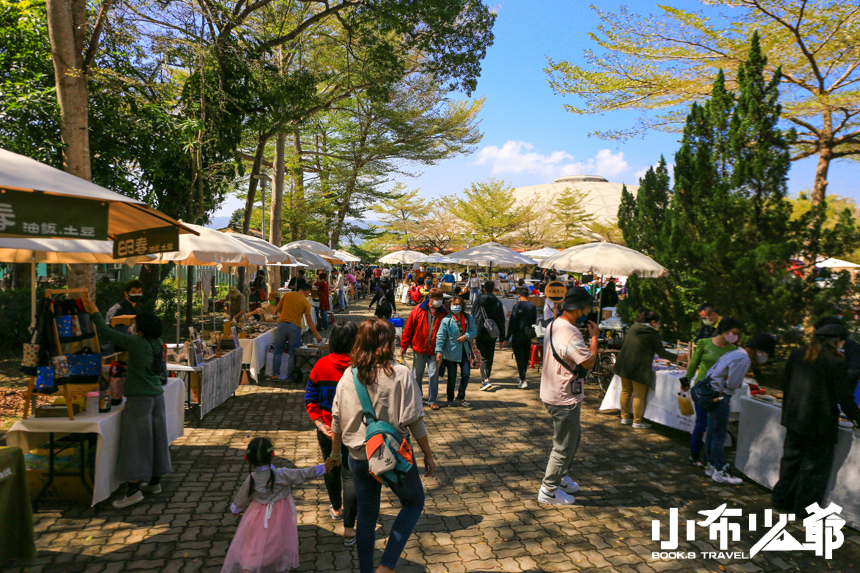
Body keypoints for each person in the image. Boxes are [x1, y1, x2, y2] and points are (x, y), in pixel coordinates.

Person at [331, 319, 436, 573]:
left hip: (358, 457)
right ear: (387, 343)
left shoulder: (348, 375)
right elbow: (414, 420)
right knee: (413, 503)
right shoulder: (400, 373)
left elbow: (336, 419)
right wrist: (428, 454)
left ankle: (367, 570)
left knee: (366, 515)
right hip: (393, 455)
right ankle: (386, 566)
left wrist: (335, 453)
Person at [82, 293, 170, 509]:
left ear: (140, 329)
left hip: (139, 398)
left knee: (135, 442)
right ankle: (154, 481)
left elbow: (105, 331)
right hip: (157, 396)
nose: (131, 327)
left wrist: (93, 310)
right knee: (157, 437)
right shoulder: (157, 343)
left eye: (134, 324)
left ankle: (133, 489)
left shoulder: (136, 342)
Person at [772, 324, 860, 515]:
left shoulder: (797, 355)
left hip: (794, 418)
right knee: (813, 470)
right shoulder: (836, 362)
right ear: (836, 341)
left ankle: (781, 499)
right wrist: (857, 417)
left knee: (790, 463)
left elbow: (784, 383)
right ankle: (804, 509)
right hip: (820, 425)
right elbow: (844, 397)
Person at [222, 437, 335, 573]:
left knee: (255, 540)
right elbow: (303, 474)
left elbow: (243, 495)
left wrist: (236, 508)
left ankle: (249, 565)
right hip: (280, 513)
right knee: (279, 537)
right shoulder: (281, 474)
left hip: (257, 514)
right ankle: (279, 562)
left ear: (249, 459)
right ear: (272, 456)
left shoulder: (252, 478)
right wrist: (324, 467)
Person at [538, 287, 599, 505]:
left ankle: (561, 478)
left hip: (553, 390)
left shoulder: (554, 323)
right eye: (588, 307)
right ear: (580, 308)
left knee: (573, 438)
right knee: (563, 445)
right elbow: (589, 363)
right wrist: (594, 338)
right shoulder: (570, 332)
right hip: (563, 396)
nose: (589, 311)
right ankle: (548, 489)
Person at [305, 322, 359, 545]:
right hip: (356, 433)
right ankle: (349, 528)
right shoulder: (361, 368)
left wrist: (319, 423)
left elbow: (311, 398)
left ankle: (336, 508)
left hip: (327, 431)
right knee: (350, 474)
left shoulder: (320, 365)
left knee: (331, 466)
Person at [697, 333, 776, 484]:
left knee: (712, 432)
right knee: (719, 435)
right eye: (766, 353)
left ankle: (711, 465)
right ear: (759, 351)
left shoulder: (736, 352)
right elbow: (733, 383)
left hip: (712, 392)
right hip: (721, 396)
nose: (765, 357)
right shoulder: (743, 359)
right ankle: (719, 470)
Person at [679, 318, 742, 467]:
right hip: (702, 390)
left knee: (715, 426)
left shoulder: (733, 350)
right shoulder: (705, 343)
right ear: (724, 330)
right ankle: (694, 455)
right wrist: (686, 380)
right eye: (734, 332)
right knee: (701, 424)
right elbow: (694, 363)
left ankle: (711, 458)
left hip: (720, 392)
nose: (736, 337)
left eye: (738, 334)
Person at [613, 311, 679, 429]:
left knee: (626, 391)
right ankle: (637, 421)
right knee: (639, 395)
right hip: (639, 367)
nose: (657, 325)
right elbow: (662, 352)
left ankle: (624, 417)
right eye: (657, 323)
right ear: (653, 322)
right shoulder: (652, 334)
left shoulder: (633, 328)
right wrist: (678, 357)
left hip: (625, 364)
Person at [400, 288, 448, 410]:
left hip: (435, 350)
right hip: (419, 349)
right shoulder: (417, 310)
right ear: (430, 299)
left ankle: (432, 400)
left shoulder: (444, 312)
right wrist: (404, 346)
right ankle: (417, 397)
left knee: (433, 375)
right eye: (436, 299)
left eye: (440, 299)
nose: (438, 301)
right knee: (417, 375)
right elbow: (408, 329)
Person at [269, 280, 323, 382]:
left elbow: (278, 307)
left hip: (282, 324)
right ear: (307, 292)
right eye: (309, 293)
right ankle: (290, 377)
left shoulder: (288, 295)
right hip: (294, 327)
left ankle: (275, 374)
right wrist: (317, 335)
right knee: (292, 353)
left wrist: (284, 313)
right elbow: (310, 321)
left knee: (278, 351)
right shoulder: (305, 302)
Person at [435, 296, 476, 407]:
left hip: (464, 351)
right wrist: (438, 351)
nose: (456, 306)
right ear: (450, 306)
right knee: (451, 377)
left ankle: (461, 396)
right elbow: (440, 336)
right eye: (454, 305)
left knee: (466, 374)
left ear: (462, 305)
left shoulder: (468, 318)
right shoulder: (446, 320)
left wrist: (466, 336)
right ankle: (450, 398)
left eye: (458, 304)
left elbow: (473, 331)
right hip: (450, 352)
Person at [473, 280, 507, 390]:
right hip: (492, 332)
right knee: (489, 356)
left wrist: (471, 332)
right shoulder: (497, 302)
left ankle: (485, 379)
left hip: (479, 330)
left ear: (483, 289)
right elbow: (501, 320)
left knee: (483, 356)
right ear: (493, 289)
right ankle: (486, 378)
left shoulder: (478, 300)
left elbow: (473, 315)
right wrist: (502, 338)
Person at [508, 286, 538, 389]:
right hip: (528, 335)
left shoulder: (517, 306)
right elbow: (534, 320)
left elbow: (512, 321)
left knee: (519, 358)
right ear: (528, 295)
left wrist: (508, 336)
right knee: (525, 357)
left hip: (517, 335)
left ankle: (523, 380)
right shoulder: (532, 306)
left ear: (519, 295)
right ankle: (522, 375)